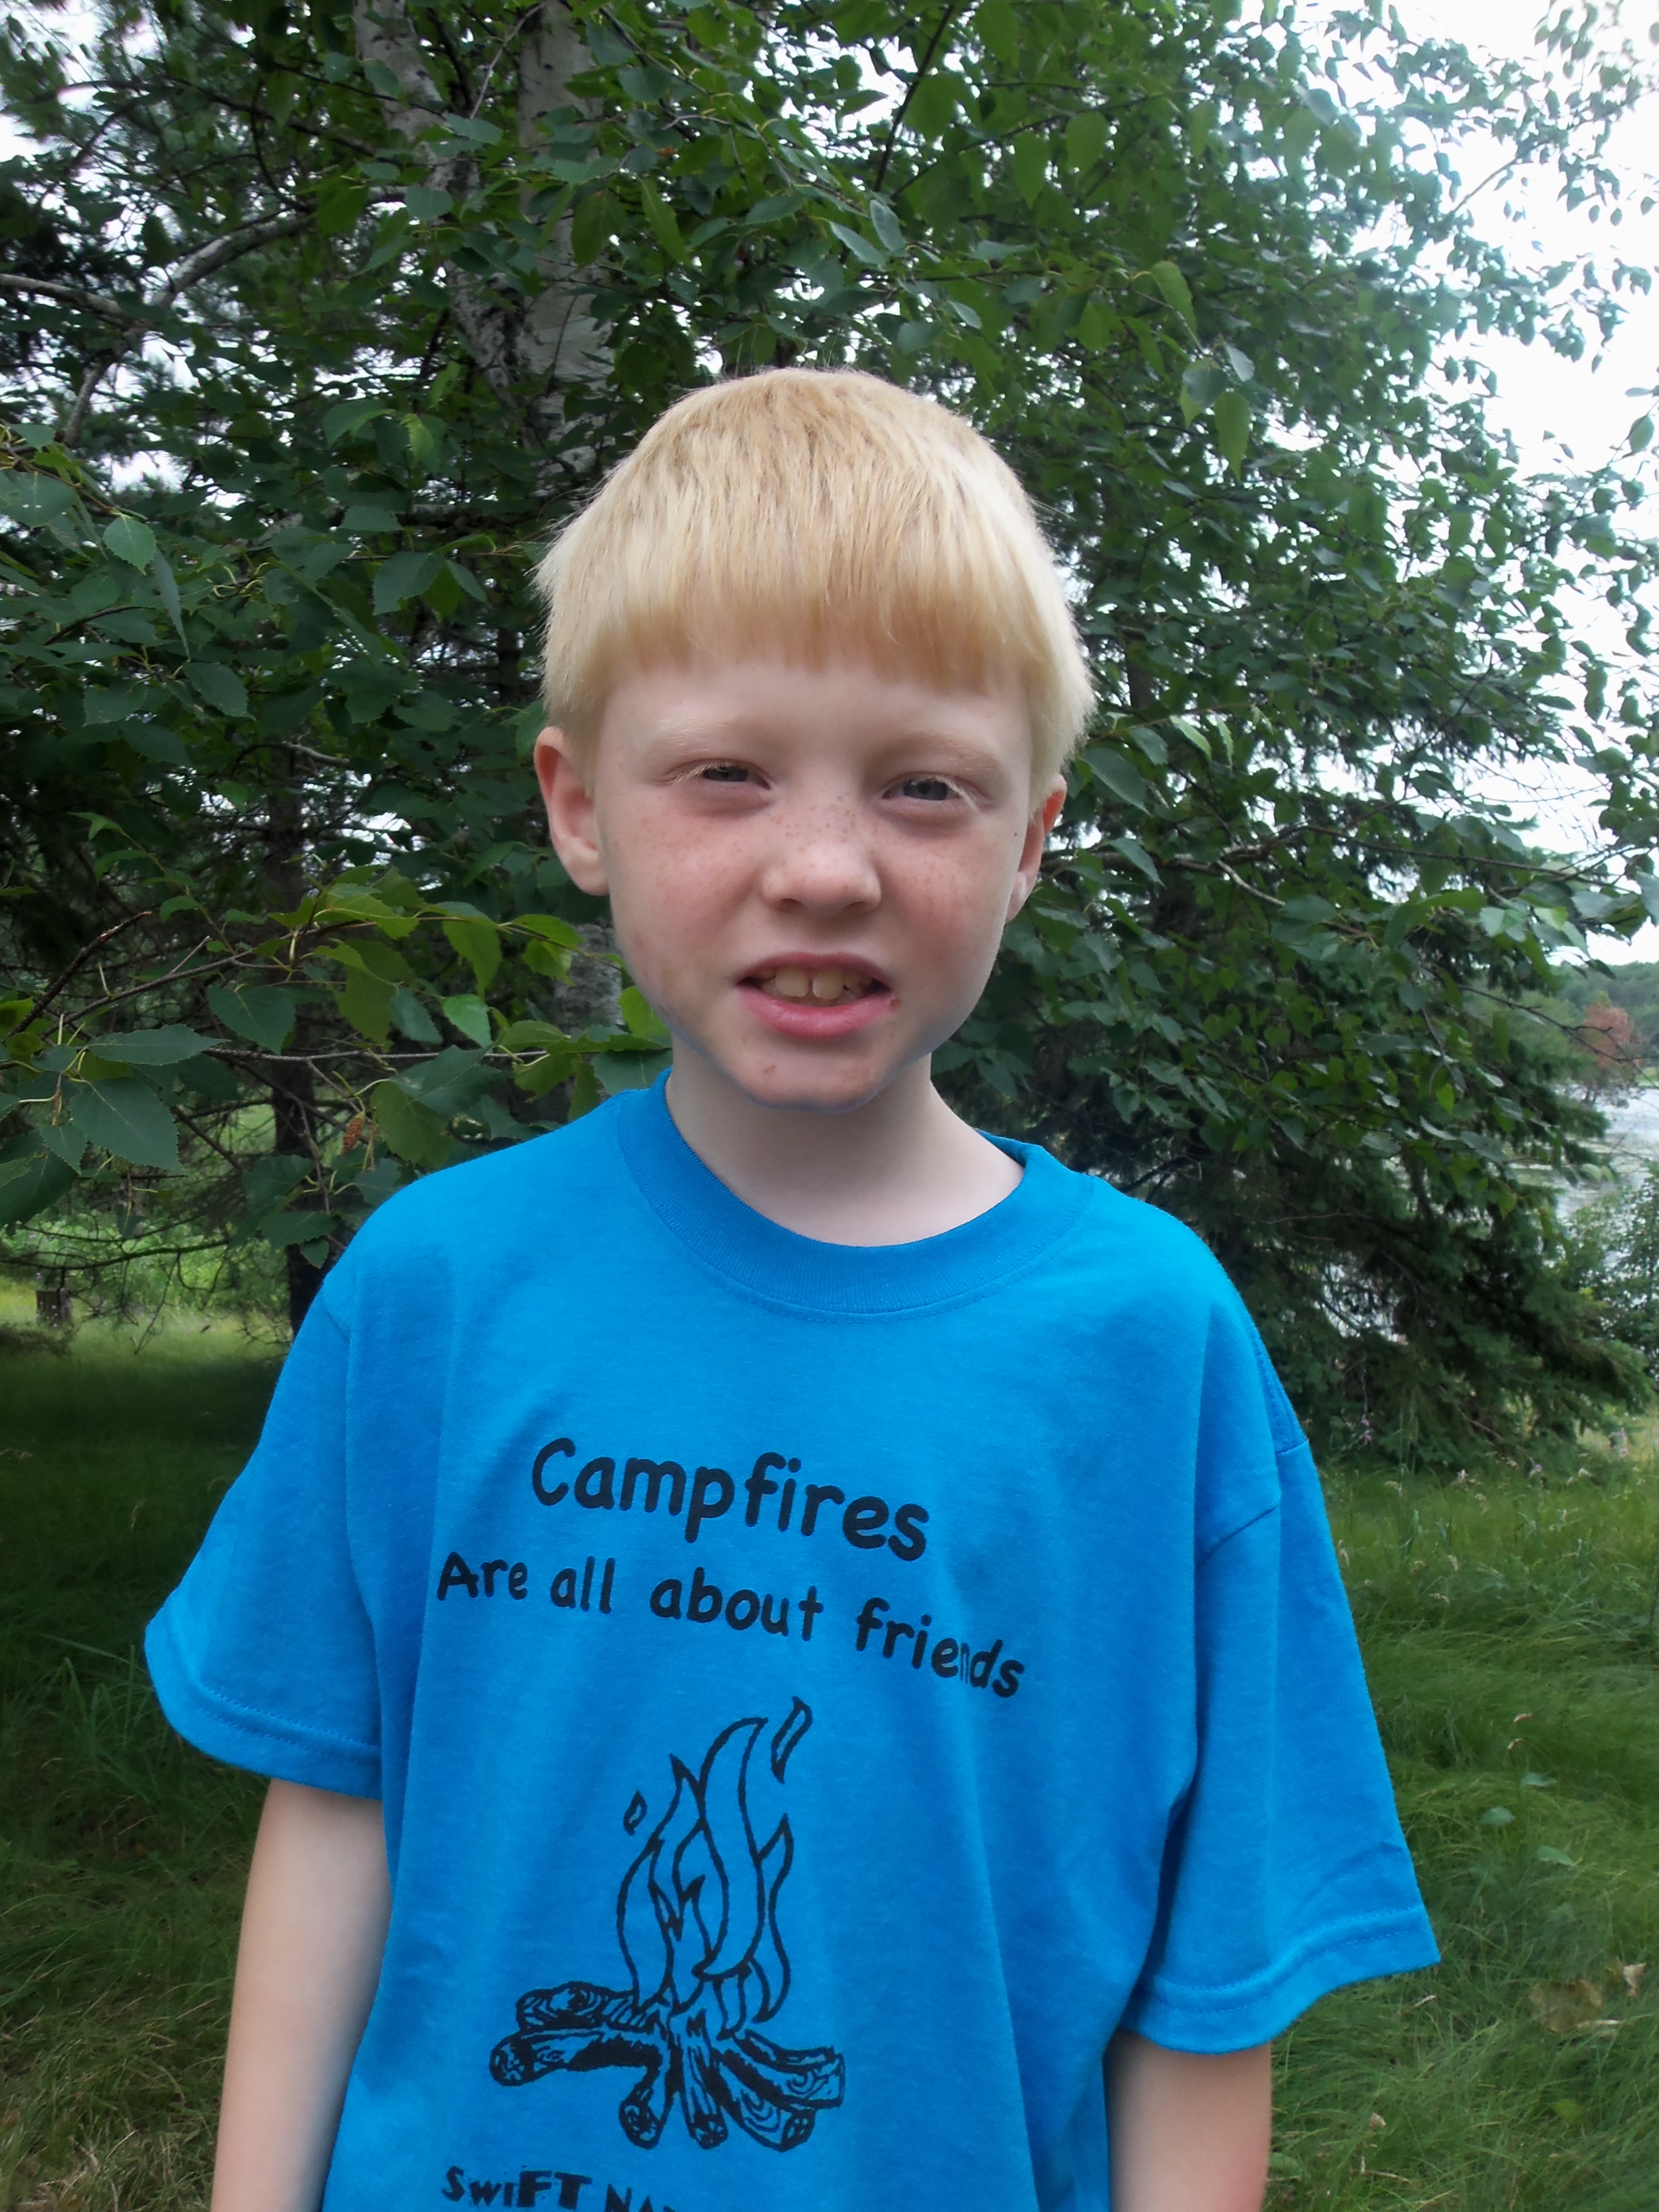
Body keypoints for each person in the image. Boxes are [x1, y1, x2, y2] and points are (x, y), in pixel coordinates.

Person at [147, 368, 1436, 2212]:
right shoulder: (435, 1290)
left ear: (1031, 838)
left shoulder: (1148, 1347)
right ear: (580, 807)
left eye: (925, 788)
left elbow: (1208, 1972)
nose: (824, 871)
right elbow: (338, 1805)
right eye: (727, 774)